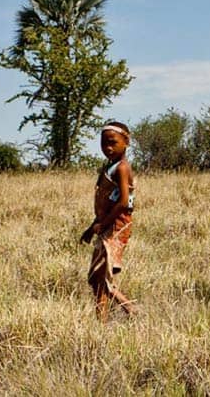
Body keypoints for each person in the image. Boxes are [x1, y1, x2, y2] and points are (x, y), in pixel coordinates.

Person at [81, 121, 137, 320]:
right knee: (96, 278)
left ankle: (130, 311)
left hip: (116, 226)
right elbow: (108, 202)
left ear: (126, 142)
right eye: (104, 143)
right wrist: (91, 228)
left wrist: (101, 226)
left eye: (113, 142)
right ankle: (104, 319)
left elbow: (123, 202)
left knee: (100, 277)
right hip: (107, 224)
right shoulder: (110, 167)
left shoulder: (122, 168)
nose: (108, 148)